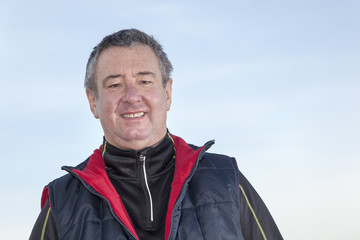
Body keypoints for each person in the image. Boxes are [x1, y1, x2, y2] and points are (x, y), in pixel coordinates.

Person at [29, 29, 283, 240]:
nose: (131, 96)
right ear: (93, 101)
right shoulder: (60, 202)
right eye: (115, 84)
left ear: (167, 92)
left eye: (145, 81)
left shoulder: (226, 179)